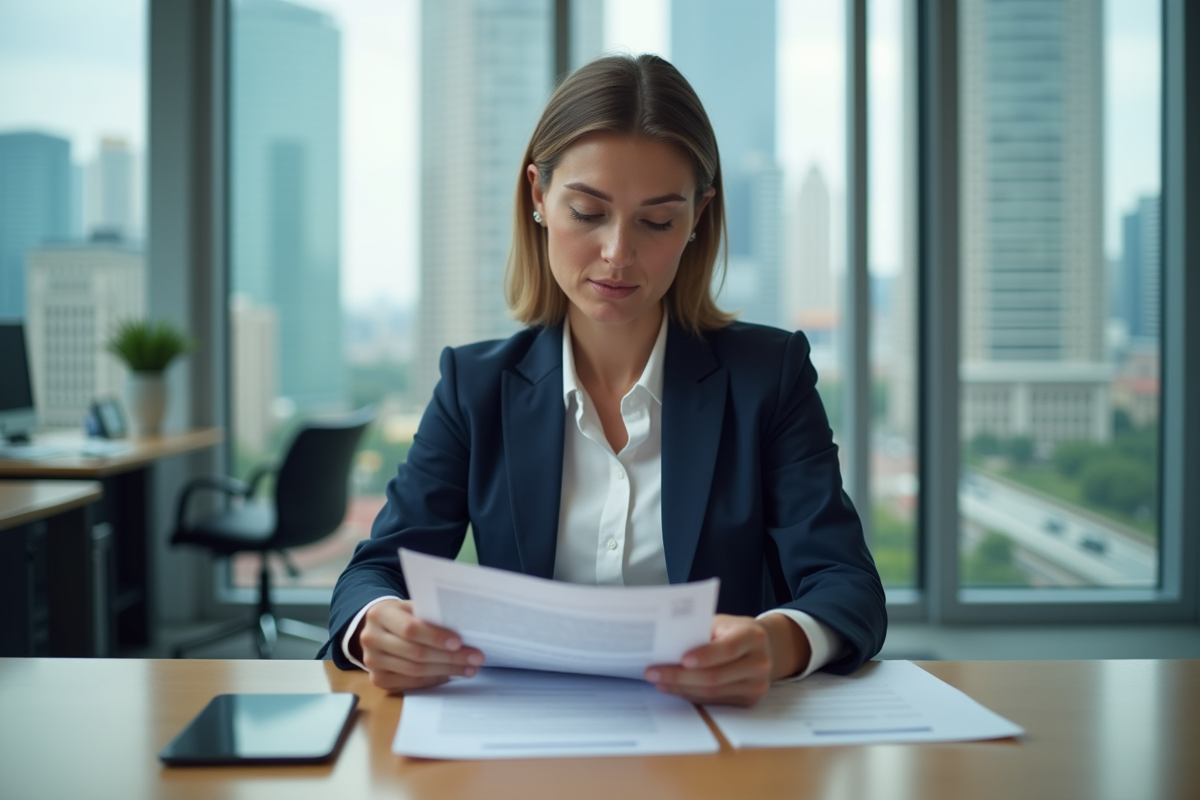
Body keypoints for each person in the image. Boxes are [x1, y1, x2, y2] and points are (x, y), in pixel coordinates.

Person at [319, 53, 887, 707]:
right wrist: (378, 628)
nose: (619, 253)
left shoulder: (769, 377)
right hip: (523, 738)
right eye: (589, 212)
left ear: (699, 215)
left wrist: (774, 644)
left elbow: (846, 586)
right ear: (538, 195)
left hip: (721, 746)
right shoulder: (473, 386)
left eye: (656, 220)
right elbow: (375, 572)